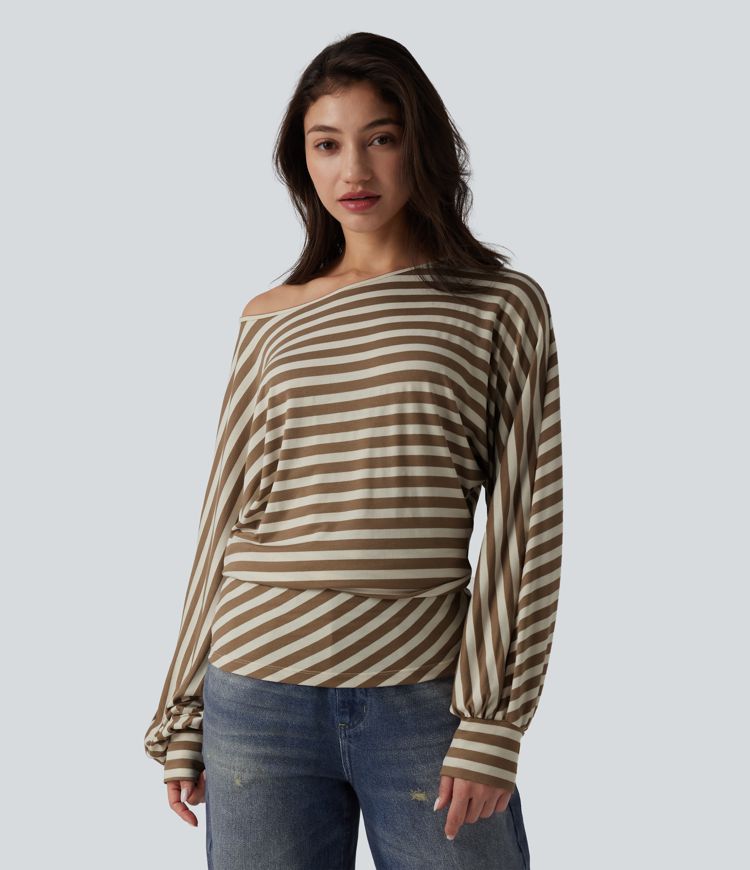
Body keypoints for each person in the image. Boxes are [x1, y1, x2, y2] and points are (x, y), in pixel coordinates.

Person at [144, 31, 563, 870]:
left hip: (424, 698)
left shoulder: (498, 303)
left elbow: (526, 521)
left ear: (422, 145)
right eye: (327, 145)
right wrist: (182, 705)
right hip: (256, 691)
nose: (354, 170)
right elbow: (224, 515)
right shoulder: (271, 315)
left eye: (381, 137)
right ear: (302, 162)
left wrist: (493, 721)